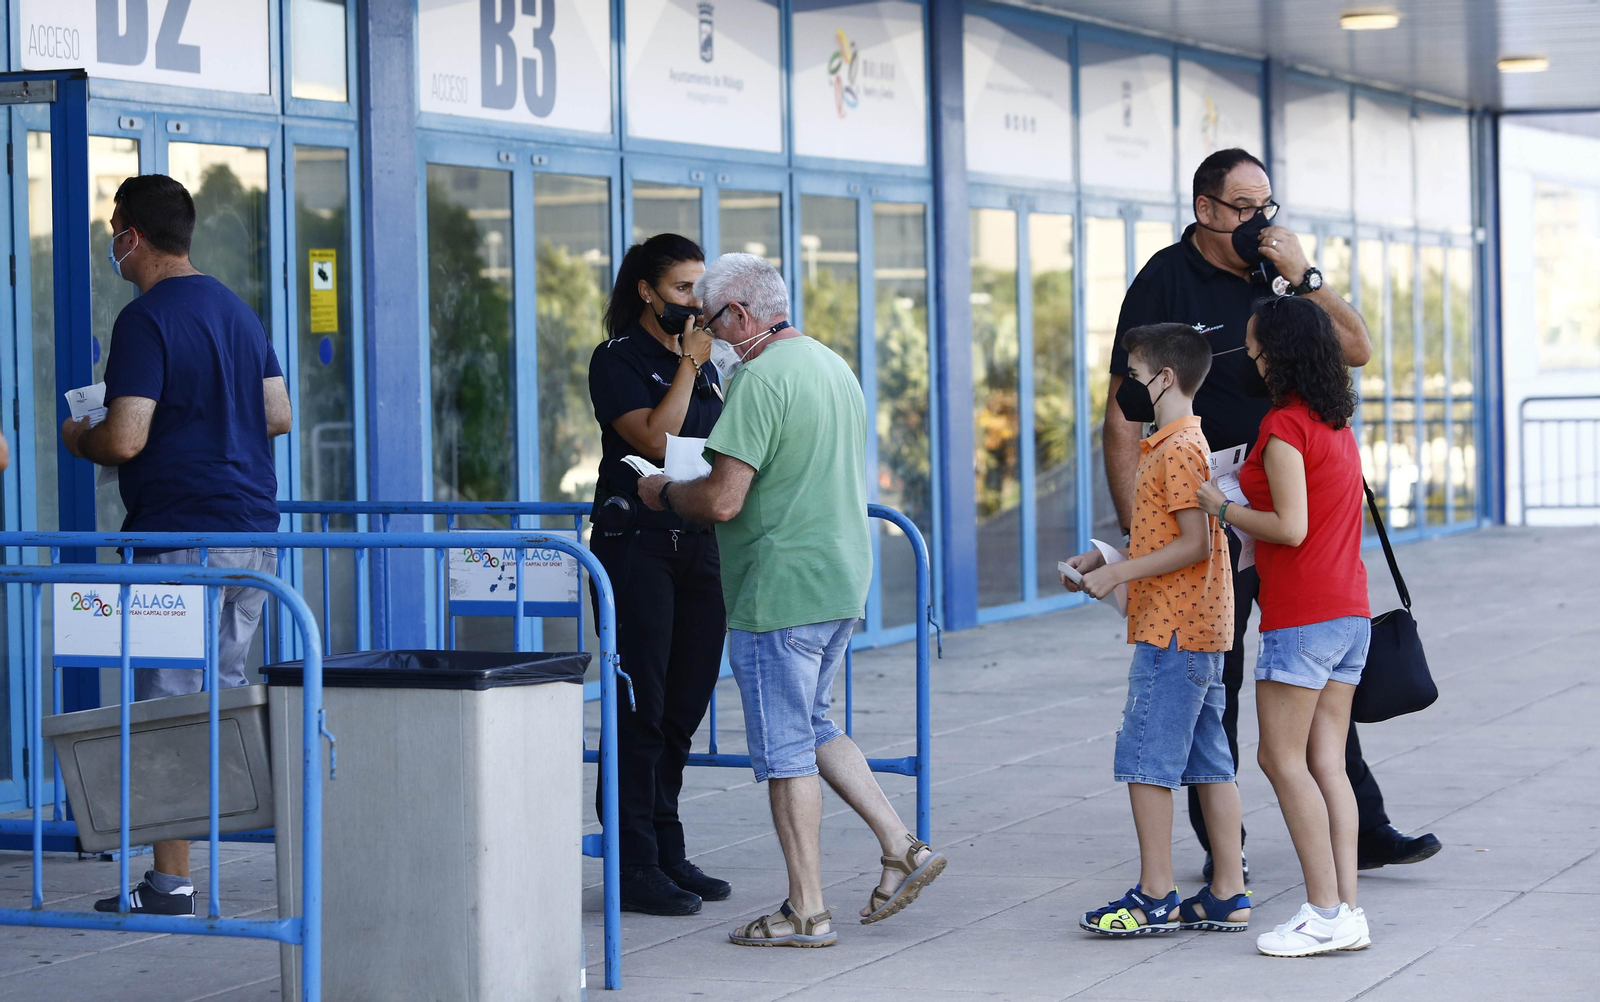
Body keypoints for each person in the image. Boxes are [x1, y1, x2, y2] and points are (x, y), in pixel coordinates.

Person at [1104, 147, 1439, 880]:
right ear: (1207, 210)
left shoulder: (1278, 277)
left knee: (1307, 674)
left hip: (1283, 510)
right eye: (1245, 209)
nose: (1260, 223)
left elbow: (1356, 351)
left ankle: (1367, 829)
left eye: (1267, 207)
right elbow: (1123, 414)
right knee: (1208, 678)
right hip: (1208, 512)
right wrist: (1139, 539)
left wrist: (1305, 276)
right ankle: (1229, 853)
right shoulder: (1164, 279)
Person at [636, 252, 946, 949]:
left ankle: (806, 910)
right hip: (837, 578)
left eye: (712, 323)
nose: (709, 338)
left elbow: (721, 497)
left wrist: (663, 493)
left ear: (741, 316)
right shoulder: (829, 365)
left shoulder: (762, 379)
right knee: (814, 725)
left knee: (784, 754)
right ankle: (902, 845)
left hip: (779, 587)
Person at [59, 174, 289, 915]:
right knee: (214, 700)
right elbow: (278, 415)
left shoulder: (145, 319)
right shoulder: (236, 310)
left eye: (114, 229)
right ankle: (182, 872)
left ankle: (171, 884)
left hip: (181, 539)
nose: (112, 245)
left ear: (131, 232)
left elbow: (124, 438)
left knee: (166, 707)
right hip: (252, 535)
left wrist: (76, 436)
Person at [1197, 296, 1373, 956]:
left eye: (1254, 346)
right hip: (1349, 613)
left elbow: (1290, 527)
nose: (1251, 357)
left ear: (1280, 354)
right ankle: (1345, 909)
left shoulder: (1284, 427)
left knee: (1279, 758)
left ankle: (1324, 911)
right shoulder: (1334, 423)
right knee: (1328, 762)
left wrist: (1222, 505)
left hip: (1304, 616)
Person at [1064, 323, 1249, 938]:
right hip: (1199, 627)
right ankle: (1228, 892)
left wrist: (1120, 579)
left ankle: (1155, 895)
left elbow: (1194, 545)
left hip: (1172, 630)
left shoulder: (1175, 450)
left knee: (1146, 761)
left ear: (1165, 378)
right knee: (1209, 764)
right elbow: (1169, 534)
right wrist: (1107, 560)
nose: (1129, 389)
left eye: (1136, 377)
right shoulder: (1180, 444)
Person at [587, 233, 729, 916]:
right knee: (639, 709)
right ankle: (633, 861)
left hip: (698, 544)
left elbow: (718, 447)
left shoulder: (707, 364)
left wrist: (699, 365)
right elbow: (656, 439)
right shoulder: (618, 359)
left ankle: (667, 848)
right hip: (636, 547)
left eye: (700, 290)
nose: (693, 303)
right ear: (646, 290)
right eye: (680, 289)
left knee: (682, 709)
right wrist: (685, 367)